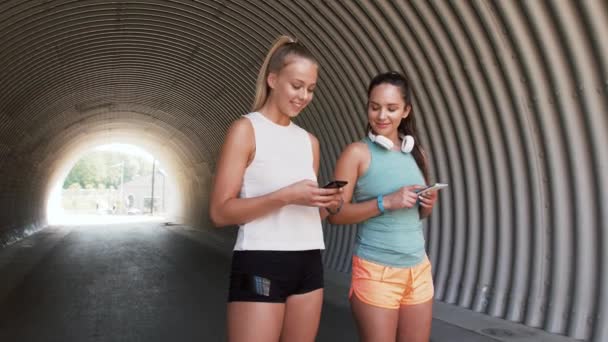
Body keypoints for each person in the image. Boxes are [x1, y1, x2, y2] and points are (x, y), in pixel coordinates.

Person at [209, 36, 343, 342]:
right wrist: (286, 196)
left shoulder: (310, 142)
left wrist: (328, 204)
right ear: (272, 79)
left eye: (311, 89)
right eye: (297, 85)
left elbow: (305, 215)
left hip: (309, 263)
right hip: (261, 262)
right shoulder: (245, 130)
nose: (304, 96)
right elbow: (219, 212)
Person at [328, 71, 439, 342]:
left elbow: (419, 215)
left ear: (406, 111)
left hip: (418, 269)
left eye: (391, 108)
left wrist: (428, 204)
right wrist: (385, 202)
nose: (381, 116)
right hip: (377, 271)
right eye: (374, 107)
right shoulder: (356, 153)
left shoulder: (416, 152)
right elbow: (334, 215)